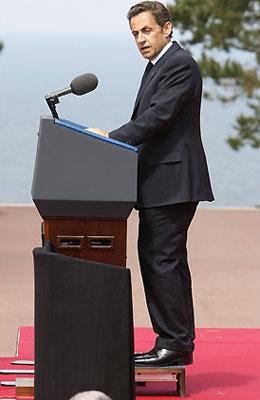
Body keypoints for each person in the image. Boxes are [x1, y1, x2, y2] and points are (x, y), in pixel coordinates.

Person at [89, 1, 214, 367]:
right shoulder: (158, 66)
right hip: (163, 181)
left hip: (173, 181)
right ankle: (176, 340)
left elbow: (158, 117)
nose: (141, 40)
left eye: (146, 30)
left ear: (167, 28)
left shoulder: (179, 65)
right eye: (135, 34)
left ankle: (173, 343)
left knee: (161, 261)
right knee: (167, 262)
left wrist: (111, 138)